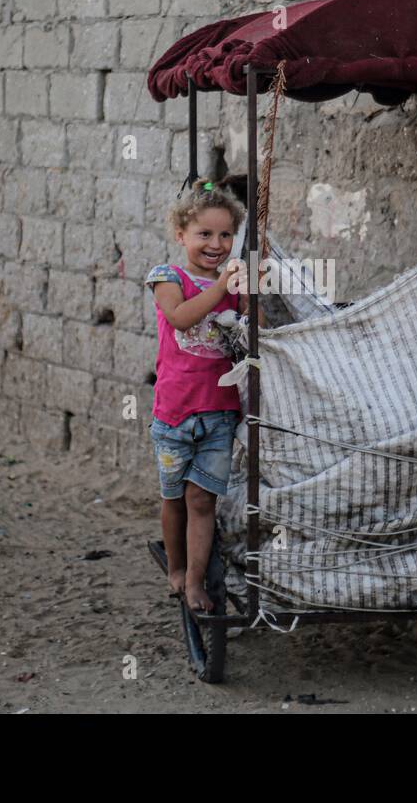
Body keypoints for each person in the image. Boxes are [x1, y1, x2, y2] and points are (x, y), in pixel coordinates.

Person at [145, 179, 247, 613]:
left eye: (226, 235)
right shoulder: (168, 278)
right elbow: (181, 317)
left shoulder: (234, 284)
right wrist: (223, 287)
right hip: (174, 413)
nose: (216, 243)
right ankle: (174, 567)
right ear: (181, 235)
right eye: (204, 234)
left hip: (219, 412)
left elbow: (250, 330)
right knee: (174, 499)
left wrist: (251, 290)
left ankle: (193, 581)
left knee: (202, 500)